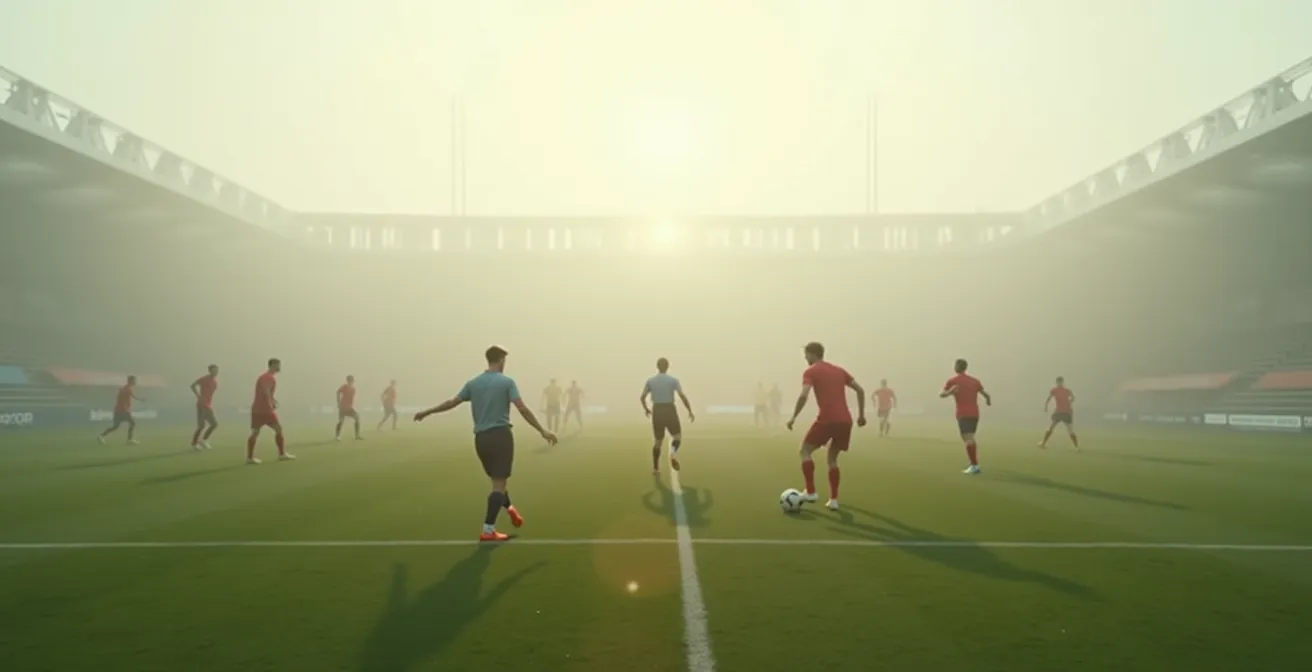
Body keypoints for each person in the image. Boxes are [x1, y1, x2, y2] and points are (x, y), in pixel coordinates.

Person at [413, 346, 557, 542]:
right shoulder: (507, 382)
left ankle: (511, 509)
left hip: (481, 439)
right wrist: (542, 430)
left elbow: (451, 402)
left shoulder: (473, 383)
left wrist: (427, 412)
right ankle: (488, 530)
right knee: (499, 485)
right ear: (501, 360)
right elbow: (522, 408)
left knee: (498, 481)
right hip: (500, 436)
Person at [786, 342, 866, 511]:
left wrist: (793, 417)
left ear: (813, 354)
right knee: (832, 459)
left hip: (827, 419)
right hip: (845, 420)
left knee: (805, 450)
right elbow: (860, 390)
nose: (805, 358)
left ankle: (810, 491)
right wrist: (861, 415)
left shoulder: (811, 371)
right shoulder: (839, 370)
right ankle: (834, 500)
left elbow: (803, 395)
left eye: (806, 355)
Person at [640, 357, 696, 473]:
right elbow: (682, 395)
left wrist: (646, 409)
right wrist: (689, 410)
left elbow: (642, 397)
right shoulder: (673, 380)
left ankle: (656, 468)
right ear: (667, 367)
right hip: (669, 409)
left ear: (657, 367)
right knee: (677, 437)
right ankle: (673, 454)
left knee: (657, 442)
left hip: (657, 410)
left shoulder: (651, 381)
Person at [940, 358, 991, 474]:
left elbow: (942, 395)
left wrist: (950, 392)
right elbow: (986, 395)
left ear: (956, 367)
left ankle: (974, 465)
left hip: (963, 414)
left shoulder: (953, 381)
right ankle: (973, 462)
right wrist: (988, 401)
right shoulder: (974, 381)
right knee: (970, 437)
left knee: (968, 438)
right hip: (975, 414)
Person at [247, 358, 294, 464]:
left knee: (255, 432)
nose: (279, 367)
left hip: (257, 409)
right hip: (265, 410)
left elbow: (266, 392)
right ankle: (282, 454)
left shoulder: (266, 377)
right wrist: (270, 404)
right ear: (273, 365)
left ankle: (250, 458)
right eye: (278, 365)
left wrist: (272, 400)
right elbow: (266, 391)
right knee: (278, 429)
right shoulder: (268, 377)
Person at [98, 375, 143, 445]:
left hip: (118, 411)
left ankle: (101, 436)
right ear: (130, 381)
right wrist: (140, 399)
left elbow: (126, 396)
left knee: (115, 426)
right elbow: (132, 396)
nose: (135, 381)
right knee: (132, 423)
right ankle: (129, 440)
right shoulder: (127, 389)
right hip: (123, 410)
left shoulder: (125, 388)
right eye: (134, 380)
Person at [1040, 376, 1080, 451]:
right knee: (1051, 428)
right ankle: (1043, 444)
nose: (1059, 383)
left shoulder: (1064, 390)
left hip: (1064, 412)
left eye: (1060, 382)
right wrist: (1046, 406)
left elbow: (1073, 398)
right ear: (1057, 382)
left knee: (1070, 430)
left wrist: (1046, 406)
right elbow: (1073, 398)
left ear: (1061, 382)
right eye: (1059, 382)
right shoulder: (1059, 390)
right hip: (1060, 412)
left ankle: (1076, 447)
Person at [190, 365, 220, 450]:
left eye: (216, 370)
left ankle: (196, 443)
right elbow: (193, 385)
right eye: (213, 370)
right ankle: (202, 441)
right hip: (203, 404)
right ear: (209, 371)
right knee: (214, 423)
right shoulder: (204, 379)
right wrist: (198, 396)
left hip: (206, 404)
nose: (215, 372)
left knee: (202, 426)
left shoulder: (215, 382)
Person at [335, 375, 363, 441]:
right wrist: (338, 402)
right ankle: (337, 436)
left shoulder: (353, 389)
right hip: (342, 407)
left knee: (357, 417)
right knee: (341, 421)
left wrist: (352, 406)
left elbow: (351, 399)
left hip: (349, 408)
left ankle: (357, 436)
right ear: (348, 380)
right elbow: (338, 392)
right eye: (351, 380)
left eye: (352, 380)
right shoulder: (345, 386)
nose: (352, 382)